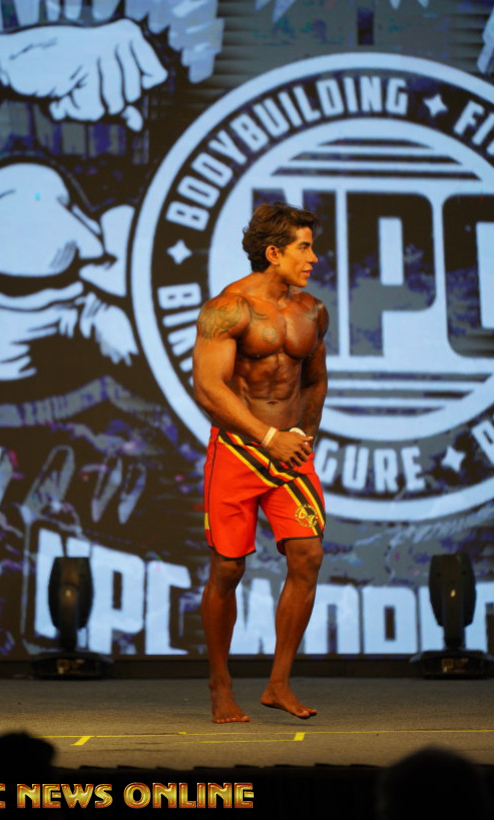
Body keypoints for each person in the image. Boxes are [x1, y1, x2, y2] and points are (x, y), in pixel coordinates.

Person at [192, 202, 329, 723]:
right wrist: (267, 437)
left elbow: (315, 380)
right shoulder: (228, 309)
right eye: (303, 248)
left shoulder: (311, 311)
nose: (312, 258)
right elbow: (209, 388)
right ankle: (220, 683)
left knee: (308, 556)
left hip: (289, 453)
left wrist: (302, 436)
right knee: (228, 568)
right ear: (273, 253)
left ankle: (278, 684)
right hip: (238, 449)